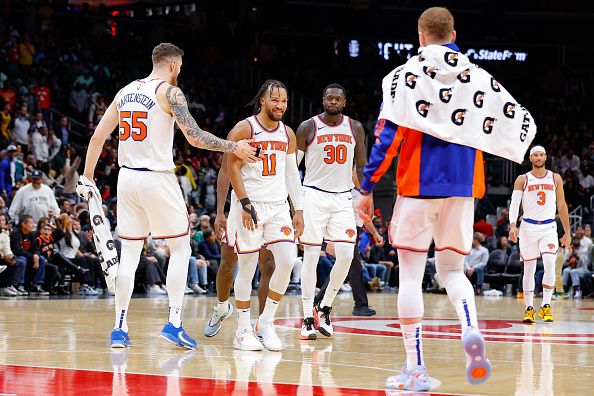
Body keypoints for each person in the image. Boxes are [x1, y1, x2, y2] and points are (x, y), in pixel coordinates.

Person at [75, 43, 259, 350]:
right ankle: (174, 323)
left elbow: (97, 137)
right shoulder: (170, 92)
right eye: (181, 67)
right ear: (173, 65)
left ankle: (119, 329)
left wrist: (88, 177)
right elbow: (195, 136)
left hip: (127, 178)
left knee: (130, 253)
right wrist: (233, 147)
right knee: (180, 246)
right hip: (156, 177)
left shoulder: (124, 92)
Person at [357, 7, 497, 390]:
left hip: (418, 188)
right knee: (452, 271)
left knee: (412, 277)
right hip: (463, 188)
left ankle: (415, 368)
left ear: (420, 36)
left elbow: (387, 137)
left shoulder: (404, 77)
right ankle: (470, 328)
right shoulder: (478, 78)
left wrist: (368, 187)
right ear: (455, 33)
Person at [226, 79, 304, 351]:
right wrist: (245, 203)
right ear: (262, 100)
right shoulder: (245, 128)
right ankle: (242, 330)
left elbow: (292, 173)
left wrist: (299, 209)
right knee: (247, 267)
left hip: (279, 207)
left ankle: (265, 322)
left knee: (287, 259)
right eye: (275, 100)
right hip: (251, 206)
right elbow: (230, 166)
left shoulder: (288, 133)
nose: (280, 105)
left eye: (283, 101)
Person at [295, 83, 368, 340]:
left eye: (338, 98)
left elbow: (362, 165)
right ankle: (306, 317)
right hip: (313, 195)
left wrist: (366, 195)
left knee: (347, 255)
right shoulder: (308, 127)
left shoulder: (355, 128)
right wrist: (295, 204)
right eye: (330, 97)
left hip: (342, 198)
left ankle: (323, 307)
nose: (334, 101)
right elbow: (293, 168)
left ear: (344, 102)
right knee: (311, 257)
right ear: (323, 100)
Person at [203, 152, 276, 338]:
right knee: (228, 263)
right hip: (240, 208)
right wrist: (220, 212)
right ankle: (221, 308)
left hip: (271, 208)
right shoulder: (241, 132)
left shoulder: (281, 135)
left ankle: (263, 324)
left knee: (268, 266)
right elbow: (225, 171)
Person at [509, 146, 570, 323]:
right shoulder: (522, 179)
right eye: (535, 154)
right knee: (529, 269)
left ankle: (545, 306)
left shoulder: (555, 178)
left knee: (550, 264)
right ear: (530, 158)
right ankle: (529, 308)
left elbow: (562, 205)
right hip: (528, 227)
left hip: (549, 227)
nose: (538, 157)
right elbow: (514, 204)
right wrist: (513, 225)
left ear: (545, 157)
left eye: (541, 154)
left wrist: (567, 231)